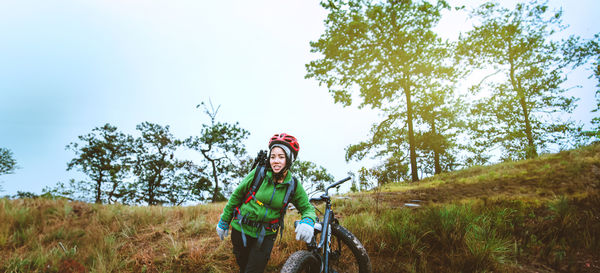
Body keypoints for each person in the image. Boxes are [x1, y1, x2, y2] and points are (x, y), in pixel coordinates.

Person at [216, 133, 316, 273]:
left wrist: (308, 220)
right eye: (273, 156)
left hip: (266, 235)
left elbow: (307, 208)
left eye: (281, 157)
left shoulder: (293, 185)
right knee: (243, 266)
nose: (276, 161)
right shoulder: (259, 174)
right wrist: (224, 220)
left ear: (289, 159)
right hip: (241, 230)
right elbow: (236, 196)